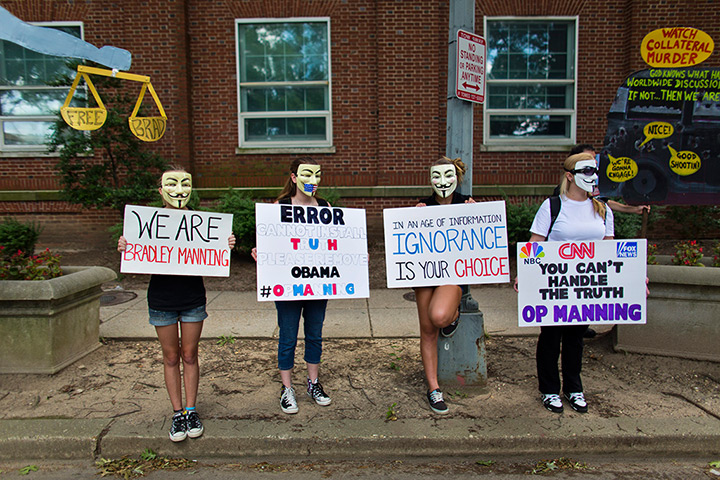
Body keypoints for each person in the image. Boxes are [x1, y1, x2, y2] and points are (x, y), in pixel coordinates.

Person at [117, 167, 235, 442]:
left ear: (191, 189)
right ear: (160, 190)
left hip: (192, 298)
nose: (179, 189)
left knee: (190, 355)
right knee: (170, 357)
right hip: (161, 300)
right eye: (171, 184)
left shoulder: (203, 224)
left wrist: (225, 243)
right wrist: (126, 245)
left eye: (185, 184)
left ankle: (192, 411)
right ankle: (177, 413)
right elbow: (138, 254)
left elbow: (212, 251)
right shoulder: (145, 224)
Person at [515, 152, 613, 414]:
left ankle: (574, 388)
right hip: (553, 284)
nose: (592, 177)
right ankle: (549, 390)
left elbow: (610, 249)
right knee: (550, 336)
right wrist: (523, 274)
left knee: (576, 337)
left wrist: (633, 277)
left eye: (595, 171)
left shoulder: (602, 208)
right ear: (570, 175)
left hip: (585, 285)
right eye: (587, 171)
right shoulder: (552, 206)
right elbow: (536, 242)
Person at [251, 157, 332, 415]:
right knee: (287, 336)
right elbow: (272, 242)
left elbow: (334, 243)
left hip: (318, 283)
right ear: (294, 178)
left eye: (317, 175)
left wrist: (353, 256)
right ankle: (287, 388)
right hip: (288, 284)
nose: (313, 181)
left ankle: (313, 383)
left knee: (314, 334)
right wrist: (259, 252)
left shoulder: (325, 206)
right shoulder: (280, 206)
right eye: (307, 175)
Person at [414, 156, 475, 414]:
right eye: (436, 176)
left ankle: (454, 314)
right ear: (430, 178)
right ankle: (433, 387)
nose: (442, 181)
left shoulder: (467, 204)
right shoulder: (422, 206)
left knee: (439, 316)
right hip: (425, 273)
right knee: (427, 330)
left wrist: (476, 215)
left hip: (453, 274)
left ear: (457, 177)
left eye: (448, 176)